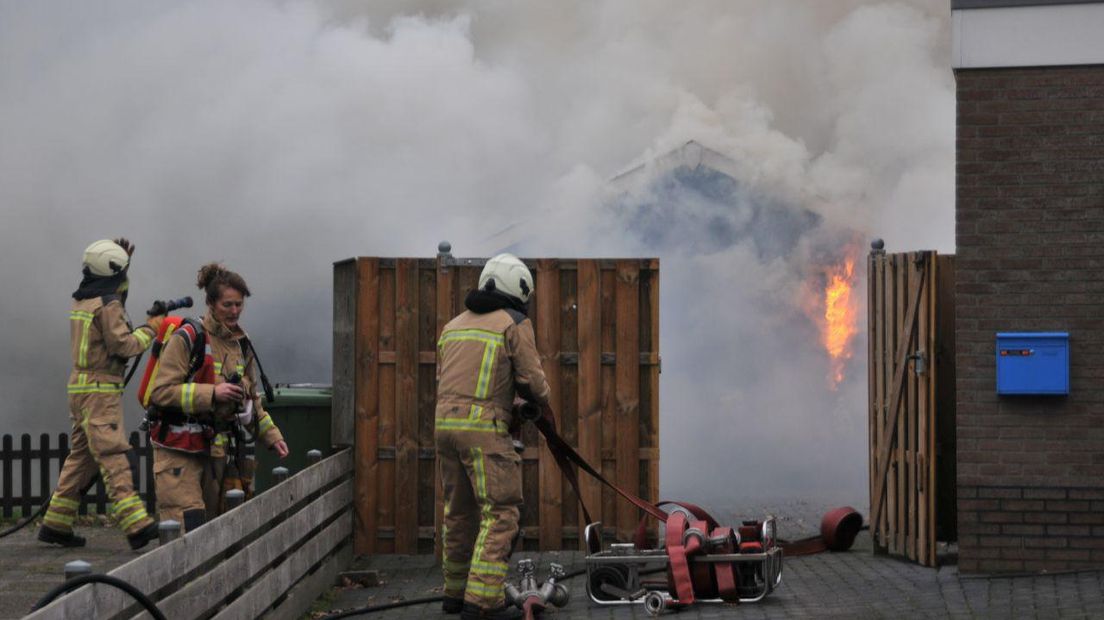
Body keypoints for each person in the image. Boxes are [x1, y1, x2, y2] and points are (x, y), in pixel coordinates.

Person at [435, 253, 550, 620]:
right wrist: (534, 401)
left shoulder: (452, 325)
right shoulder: (513, 322)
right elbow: (533, 383)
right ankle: (481, 601)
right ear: (518, 290)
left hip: (444, 427)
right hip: (483, 431)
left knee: (459, 513)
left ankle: (454, 594)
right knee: (500, 512)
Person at [38, 238, 162, 550]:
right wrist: (151, 328)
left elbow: (113, 295)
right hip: (100, 392)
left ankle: (55, 523)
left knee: (82, 457)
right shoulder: (108, 305)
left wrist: (124, 265)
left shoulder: (84, 300)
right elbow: (124, 345)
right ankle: (136, 526)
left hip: (79, 387)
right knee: (113, 455)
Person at [147, 263, 288, 532]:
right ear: (211, 303)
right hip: (179, 452)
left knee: (213, 531)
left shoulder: (241, 345)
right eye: (227, 305)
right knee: (186, 529)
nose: (234, 311)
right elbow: (161, 391)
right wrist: (213, 393)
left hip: (216, 454)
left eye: (239, 304)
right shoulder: (187, 337)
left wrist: (273, 437)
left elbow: (251, 401)